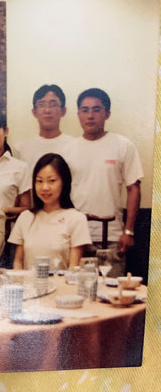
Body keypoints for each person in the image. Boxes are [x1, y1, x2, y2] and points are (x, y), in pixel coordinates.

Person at [60, 88, 143, 276]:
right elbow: (60, 192)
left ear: (107, 114)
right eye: (85, 110)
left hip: (112, 237)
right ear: (78, 114)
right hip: (76, 236)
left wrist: (128, 232)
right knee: (75, 289)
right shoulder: (67, 150)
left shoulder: (123, 145)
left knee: (111, 290)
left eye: (96, 109)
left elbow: (133, 188)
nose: (90, 116)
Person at [9, 153, 92, 270]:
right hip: (28, 281)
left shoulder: (76, 218)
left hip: (63, 281)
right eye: (39, 181)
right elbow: (18, 262)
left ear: (64, 182)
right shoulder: (25, 217)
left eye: (52, 181)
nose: (45, 187)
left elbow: (74, 267)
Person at [15, 85, 75, 174]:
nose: (47, 110)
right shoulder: (21, 149)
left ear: (63, 111)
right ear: (34, 112)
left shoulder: (74, 146)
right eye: (41, 105)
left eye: (53, 105)